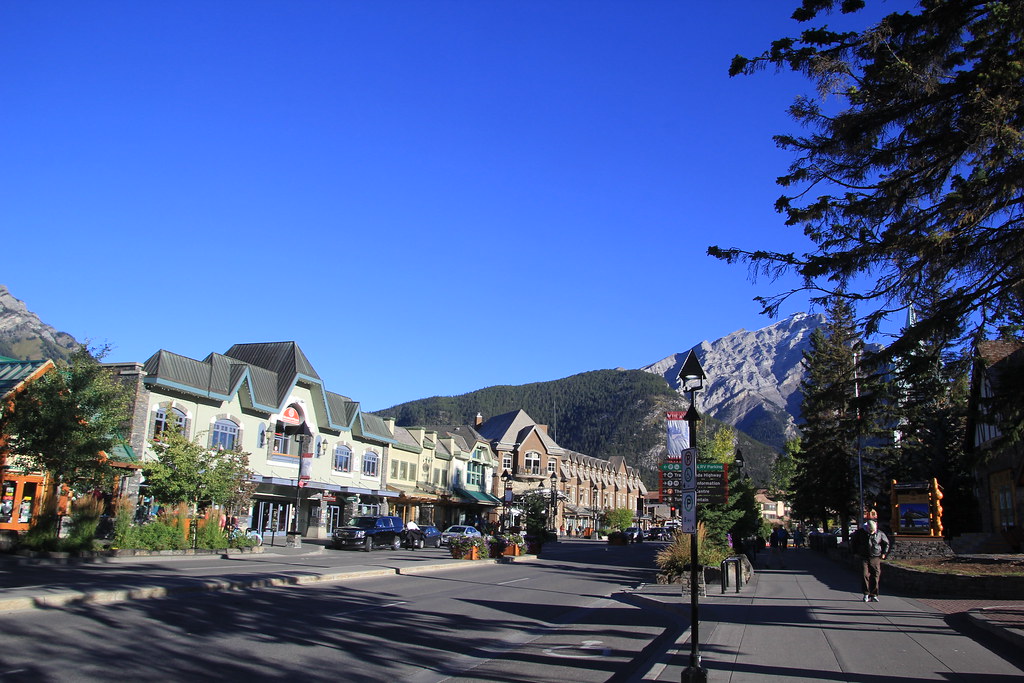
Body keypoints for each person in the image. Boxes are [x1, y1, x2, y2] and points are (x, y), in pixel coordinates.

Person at [851, 519, 890, 602]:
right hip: (864, 557)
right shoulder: (860, 533)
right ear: (867, 528)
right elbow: (854, 542)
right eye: (870, 530)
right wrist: (855, 552)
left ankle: (874, 594)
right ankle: (866, 593)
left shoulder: (879, 533)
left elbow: (886, 543)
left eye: (873, 531)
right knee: (865, 575)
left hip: (875, 557)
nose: (872, 532)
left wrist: (884, 553)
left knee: (875, 575)